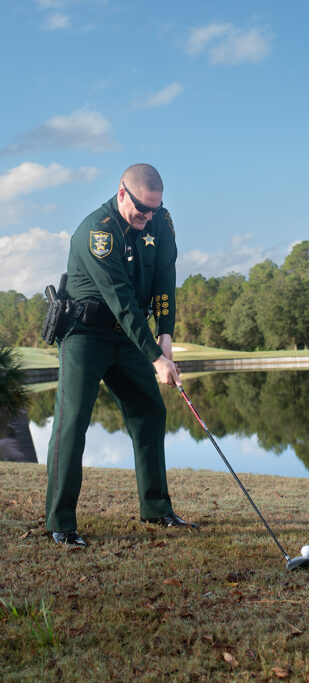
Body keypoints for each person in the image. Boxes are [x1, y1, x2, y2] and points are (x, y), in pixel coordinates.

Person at [46, 163, 194, 548]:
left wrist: (165, 336)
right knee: (72, 420)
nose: (148, 217)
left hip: (130, 336)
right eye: (142, 209)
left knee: (150, 411)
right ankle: (61, 522)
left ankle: (157, 509)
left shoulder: (161, 222)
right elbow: (122, 301)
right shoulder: (98, 232)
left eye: (155, 210)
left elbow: (165, 279)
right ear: (122, 193)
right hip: (86, 334)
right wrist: (156, 359)